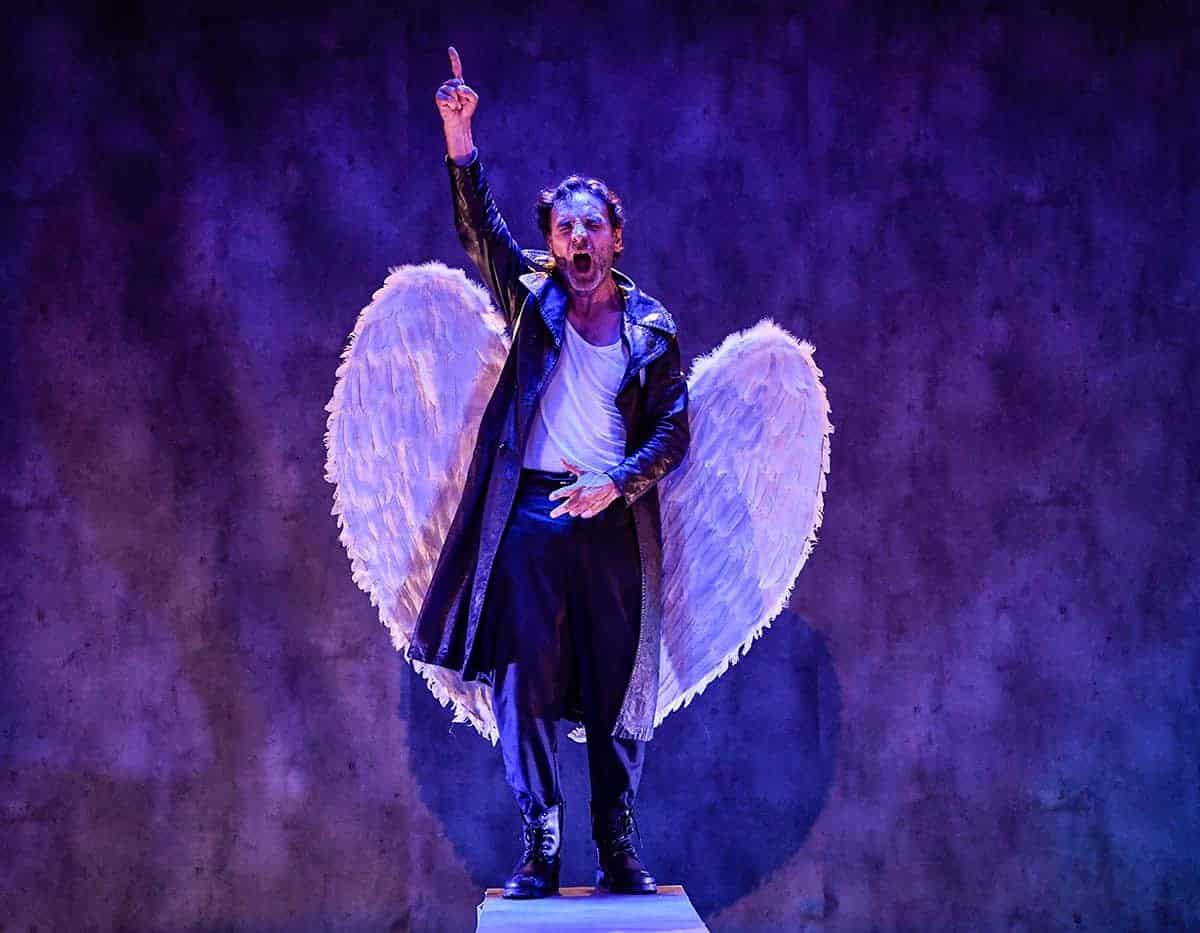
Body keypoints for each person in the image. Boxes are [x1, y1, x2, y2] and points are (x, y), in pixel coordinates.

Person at [407, 46, 690, 900]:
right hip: (530, 518)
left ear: (616, 236)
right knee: (524, 683)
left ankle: (617, 843)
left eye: (591, 226)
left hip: (611, 519)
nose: (577, 239)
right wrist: (461, 138)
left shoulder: (651, 327)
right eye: (564, 228)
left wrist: (619, 482)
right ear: (553, 242)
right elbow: (480, 235)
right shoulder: (532, 298)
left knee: (615, 683)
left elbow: (674, 430)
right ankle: (540, 843)